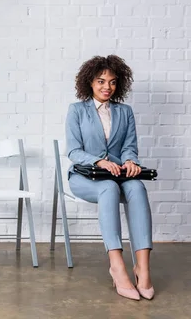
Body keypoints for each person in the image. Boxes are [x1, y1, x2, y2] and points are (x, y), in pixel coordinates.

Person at [65, 55, 154, 301]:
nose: (107, 87)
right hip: (85, 177)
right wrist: (98, 160)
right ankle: (116, 265)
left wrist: (129, 161)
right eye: (101, 81)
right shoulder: (77, 111)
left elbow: (129, 146)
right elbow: (73, 151)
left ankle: (142, 268)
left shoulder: (125, 112)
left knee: (137, 187)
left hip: (118, 175)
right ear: (90, 83)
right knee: (109, 189)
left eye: (113, 82)